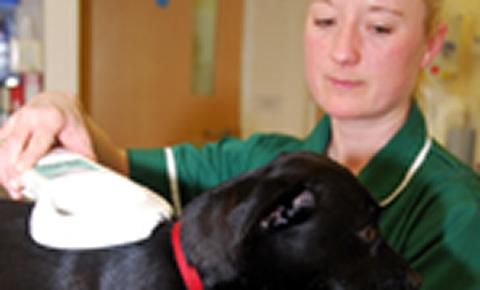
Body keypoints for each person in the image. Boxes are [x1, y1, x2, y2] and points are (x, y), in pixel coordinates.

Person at [0, 0, 479, 289]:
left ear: (431, 45)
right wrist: (62, 109)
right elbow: (113, 163)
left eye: (379, 27)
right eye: (326, 19)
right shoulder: (260, 163)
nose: (343, 51)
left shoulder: (458, 213)